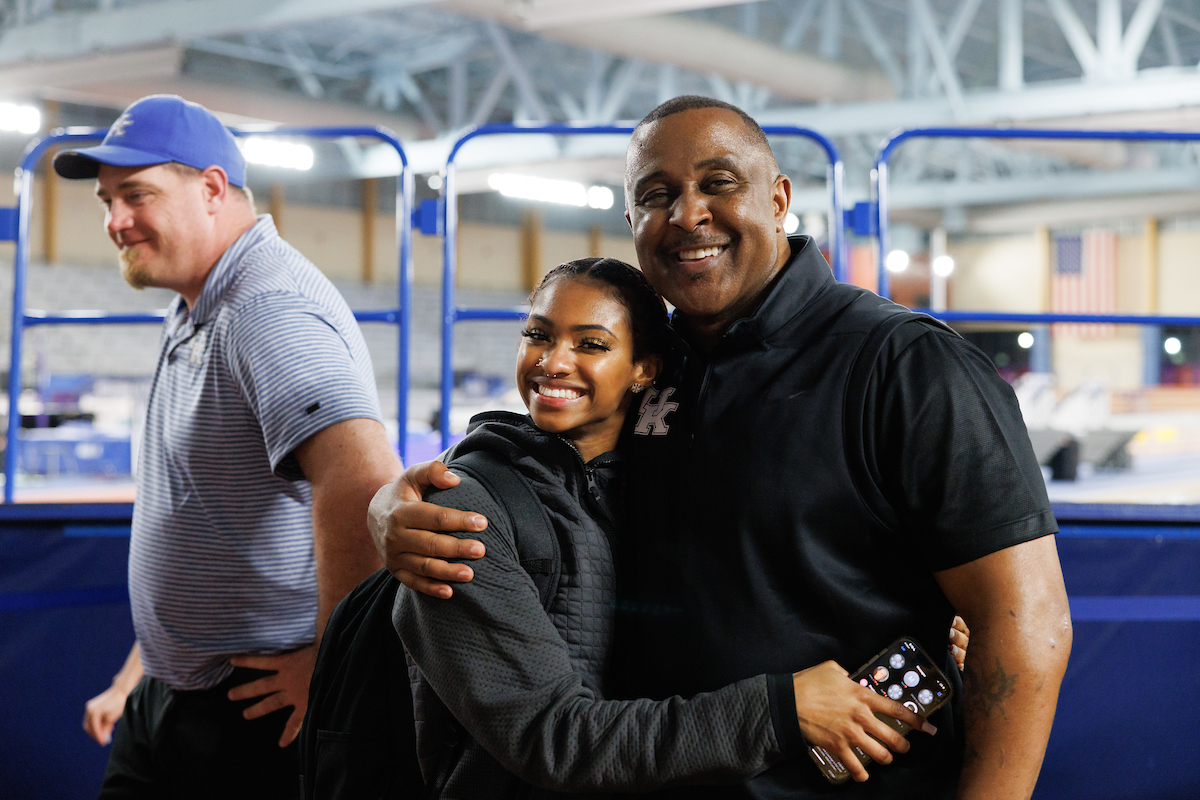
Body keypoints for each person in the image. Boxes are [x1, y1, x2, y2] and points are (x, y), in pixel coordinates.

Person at [370, 95, 1071, 800]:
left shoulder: (907, 366)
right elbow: (541, 453)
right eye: (656, 195)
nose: (687, 214)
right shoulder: (651, 366)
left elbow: (1027, 626)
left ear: (779, 199)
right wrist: (391, 506)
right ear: (632, 222)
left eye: (718, 183)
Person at [397, 257, 954, 797]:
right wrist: (785, 709)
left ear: (645, 369)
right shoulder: (460, 512)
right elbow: (553, 740)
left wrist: (936, 619)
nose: (553, 361)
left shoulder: (654, 481)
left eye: (590, 344)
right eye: (538, 335)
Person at [55, 94, 402, 799]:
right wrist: (138, 674)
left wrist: (329, 667)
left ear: (212, 188)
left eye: (136, 195)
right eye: (107, 201)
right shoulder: (198, 302)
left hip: (249, 710)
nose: (115, 220)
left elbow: (364, 485)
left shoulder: (266, 307)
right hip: (172, 695)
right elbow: (200, 523)